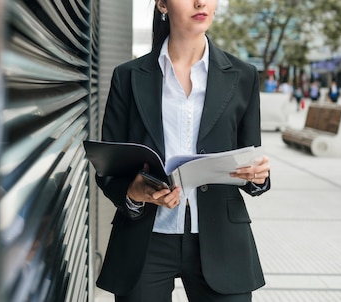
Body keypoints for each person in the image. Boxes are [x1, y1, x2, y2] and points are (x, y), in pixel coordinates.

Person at [94, 0, 271, 301]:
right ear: (162, 3)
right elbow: (108, 165)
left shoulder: (242, 76)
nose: (200, 2)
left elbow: (249, 157)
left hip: (222, 241)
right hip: (144, 241)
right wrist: (134, 192)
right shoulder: (129, 76)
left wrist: (258, 176)